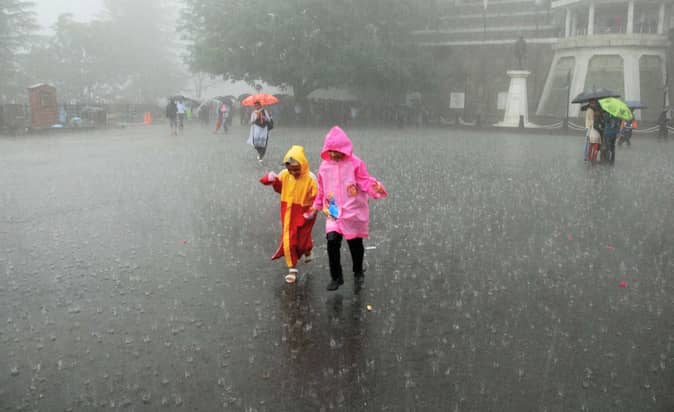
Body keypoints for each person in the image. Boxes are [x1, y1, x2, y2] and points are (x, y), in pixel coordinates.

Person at [307, 126, 387, 291]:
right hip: (334, 211)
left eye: (336, 151)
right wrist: (316, 206)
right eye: (330, 151)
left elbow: (364, 181)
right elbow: (322, 189)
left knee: (355, 244)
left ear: (344, 149)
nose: (333, 154)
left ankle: (358, 270)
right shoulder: (324, 167)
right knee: (332, 241)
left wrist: (375, 188)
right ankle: (336, 277)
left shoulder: (355, 163)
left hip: (353, 211)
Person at [259, 145, 317, 283]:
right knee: (289, 240)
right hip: (288, 212)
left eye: (296, 169)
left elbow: (319, 196)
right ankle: (292, 268)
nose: (293, 172)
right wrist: (271, 179)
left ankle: (307, 249)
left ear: (303, 165)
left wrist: (313, 209)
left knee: (302, 239)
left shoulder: (310, 178)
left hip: (305, 213)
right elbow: (278, 187)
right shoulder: (285, 174)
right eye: (290, 170)